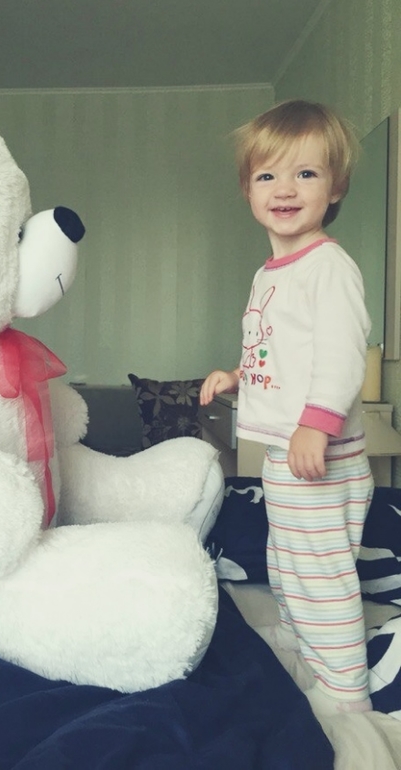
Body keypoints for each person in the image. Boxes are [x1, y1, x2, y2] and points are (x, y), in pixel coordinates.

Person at [200, 99, 374, 717]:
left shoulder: (329, 267)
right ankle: (305, 647)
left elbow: (341, 357)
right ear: (248, 189)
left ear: (336, 187)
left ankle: (346, 693)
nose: (285, 189)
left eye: (306, 173)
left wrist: (314, 426)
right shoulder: (272, 273)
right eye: (268, 175)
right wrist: (237, 374)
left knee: (320, 573)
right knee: (288, 561)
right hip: (286, 453)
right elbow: (278, 347)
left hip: (318, 455)